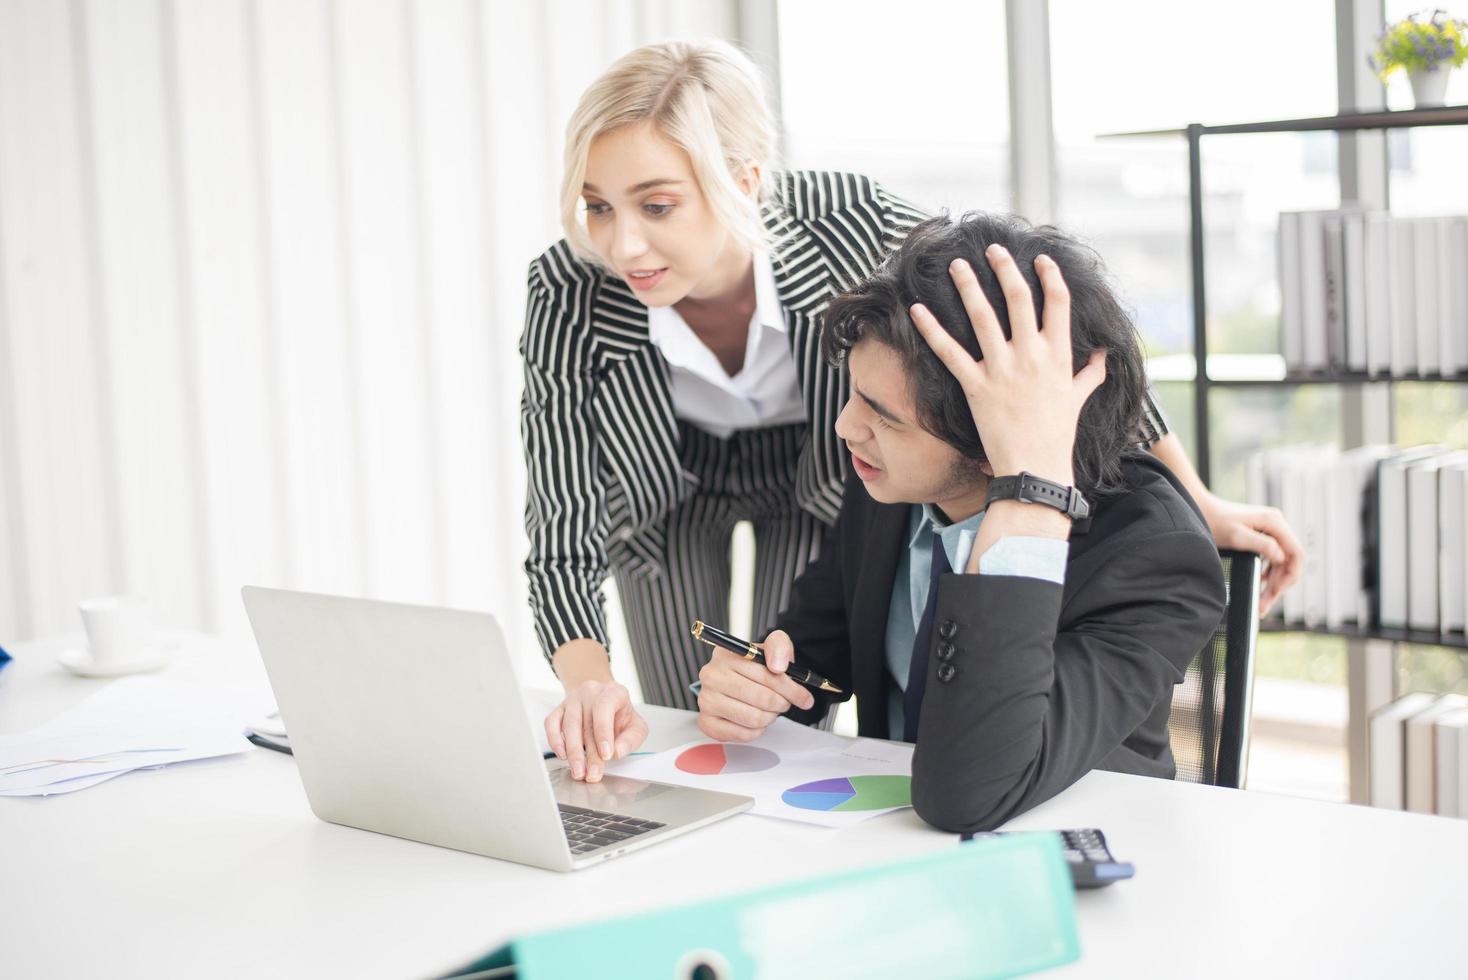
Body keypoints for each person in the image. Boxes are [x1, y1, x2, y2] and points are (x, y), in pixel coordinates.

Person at [522, 39, 1295, 783]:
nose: (621, 246)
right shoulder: (569, 289)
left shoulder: (847, 225)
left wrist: (1193, 498)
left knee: (796, 701)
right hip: (675, 483)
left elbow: (1044, 343)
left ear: (746, 179)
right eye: (595, 207)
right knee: (702, 708)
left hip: (830, 466)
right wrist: (588, 683)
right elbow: (561, 514)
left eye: (656, 206)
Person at [695, 212, 1228, 832]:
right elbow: (810, 661)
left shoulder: (1152, 557)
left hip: (1057, 863)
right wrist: (753, 687)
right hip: (887, 846)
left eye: (883, 417)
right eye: (853, 395)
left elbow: (970, 792)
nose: (845, 428)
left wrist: (1030, 497)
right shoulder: (888, 488)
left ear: (991, 438)